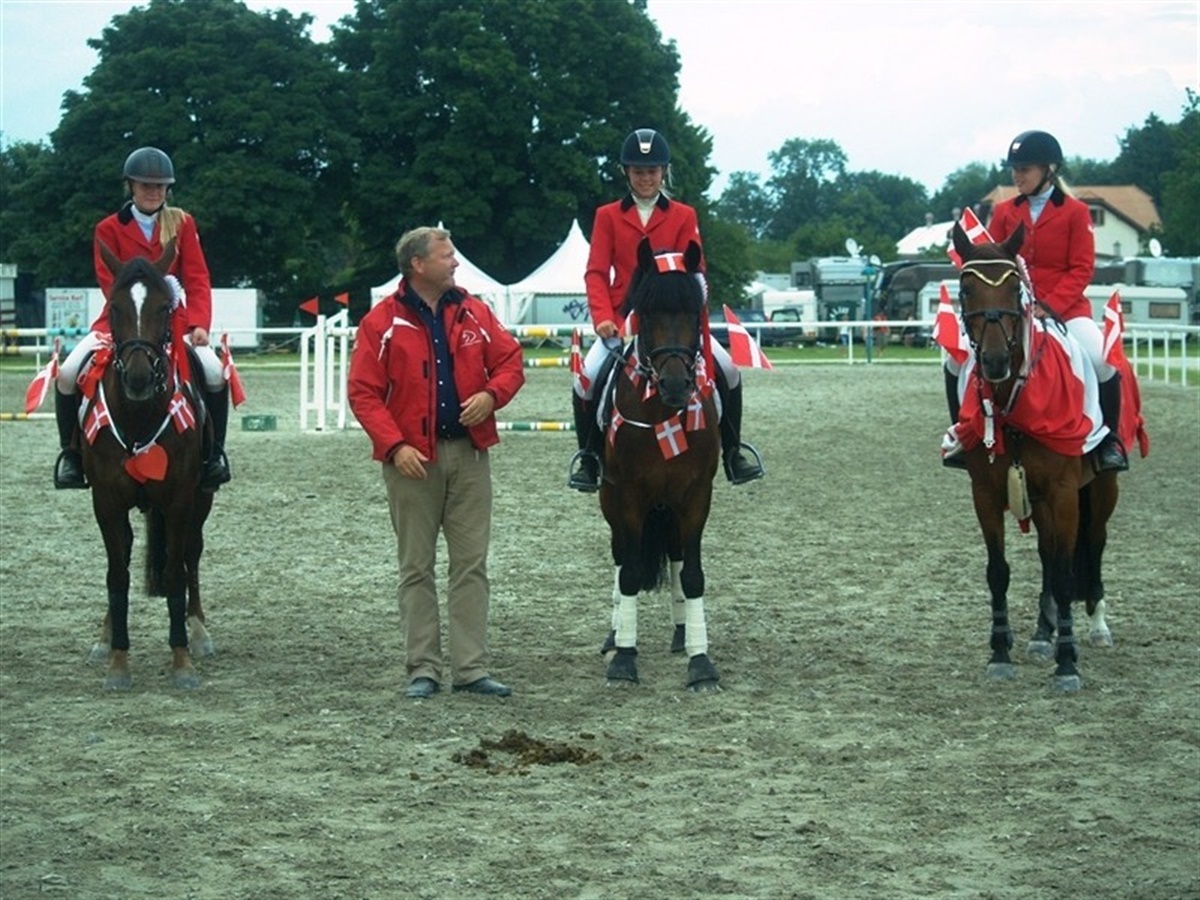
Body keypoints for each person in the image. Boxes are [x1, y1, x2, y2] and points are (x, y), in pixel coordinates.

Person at [348, 226, 525, 700]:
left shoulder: (475, 312)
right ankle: (422, 669)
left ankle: (471, 669)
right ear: (418, 264)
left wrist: (492, 395)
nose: (456, 263)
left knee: (471, 565)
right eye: (447, 256)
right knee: (416, 567)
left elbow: (510, 362)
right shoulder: (381, 322)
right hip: (412, 463)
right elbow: (363, 393)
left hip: (470, 456)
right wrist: (394, 446)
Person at [568, 127, 764, 491]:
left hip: (673, 320)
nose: (646, 178)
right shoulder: (607, 216)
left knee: (728, 370)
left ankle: (733, 452)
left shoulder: (683, 215)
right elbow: (596, 272)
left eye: (652, 171)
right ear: (626, 172)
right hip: (623, 319)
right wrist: (603, 318)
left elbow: (696, 269)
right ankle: (590, 458)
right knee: (587, 379)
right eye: (638, 171)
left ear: (664, 172)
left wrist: (694, 307)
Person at [943, 130, 1127, 472]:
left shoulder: (1075, 212)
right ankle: (963, 436)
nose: (1017, 175)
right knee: (956, 358)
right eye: (1015, 169)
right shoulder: (1003, 212)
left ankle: (1108, 441)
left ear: (1049, 169)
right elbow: (993, 261)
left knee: (1102, 360)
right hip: (1012, 309)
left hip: (1066, 311)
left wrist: (1050, 305)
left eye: (1024, 169)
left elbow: (1082, 269)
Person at [53, 146, 232, 491]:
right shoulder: (107, 228)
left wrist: (199, 323)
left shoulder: (182, 223)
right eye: (146, 185)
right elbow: (109, 282)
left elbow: (197, 277)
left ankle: (213, 454)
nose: (153, 191)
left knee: (213, 372)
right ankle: (72, 456)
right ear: (131, 186)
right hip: (121, 321)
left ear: (168, 189)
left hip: (172, 320)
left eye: (160, 186)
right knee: (67, 373)